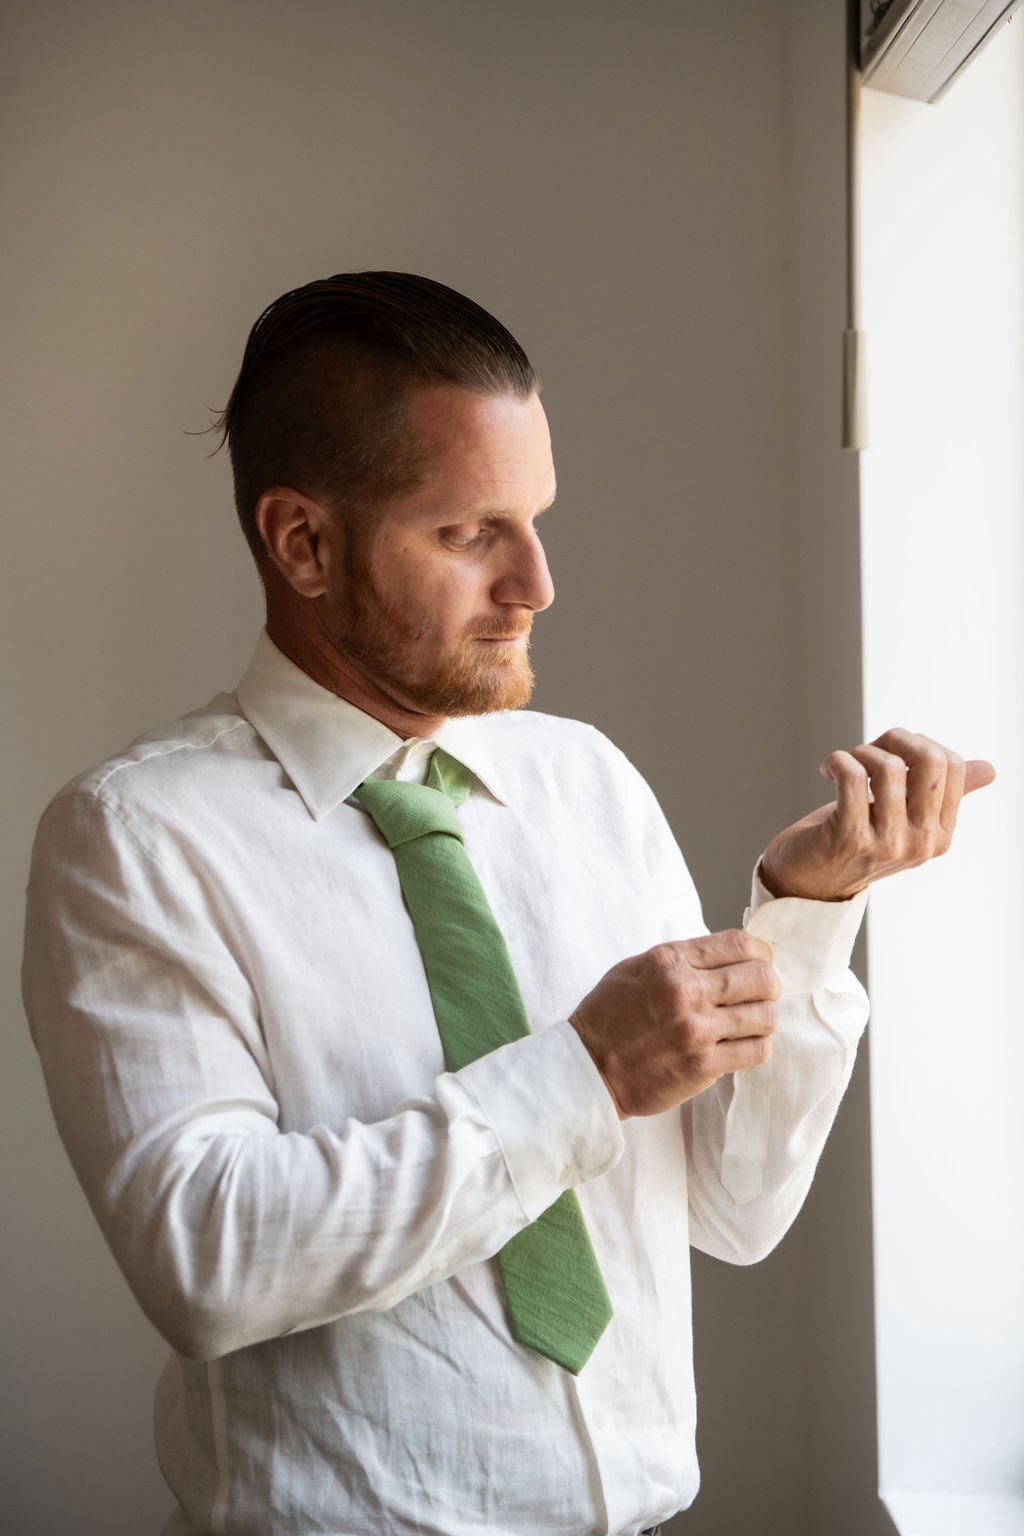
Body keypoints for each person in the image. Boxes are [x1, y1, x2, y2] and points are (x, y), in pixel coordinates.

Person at [22, 271, 993, 1536]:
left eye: (535, 520)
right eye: (470, 532)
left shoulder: (584, 779)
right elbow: (209, 1260)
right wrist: (582, 1072)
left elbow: (728, 1210)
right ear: (302, 542)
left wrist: (804, 913)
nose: (536, 582)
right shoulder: (135, 838)